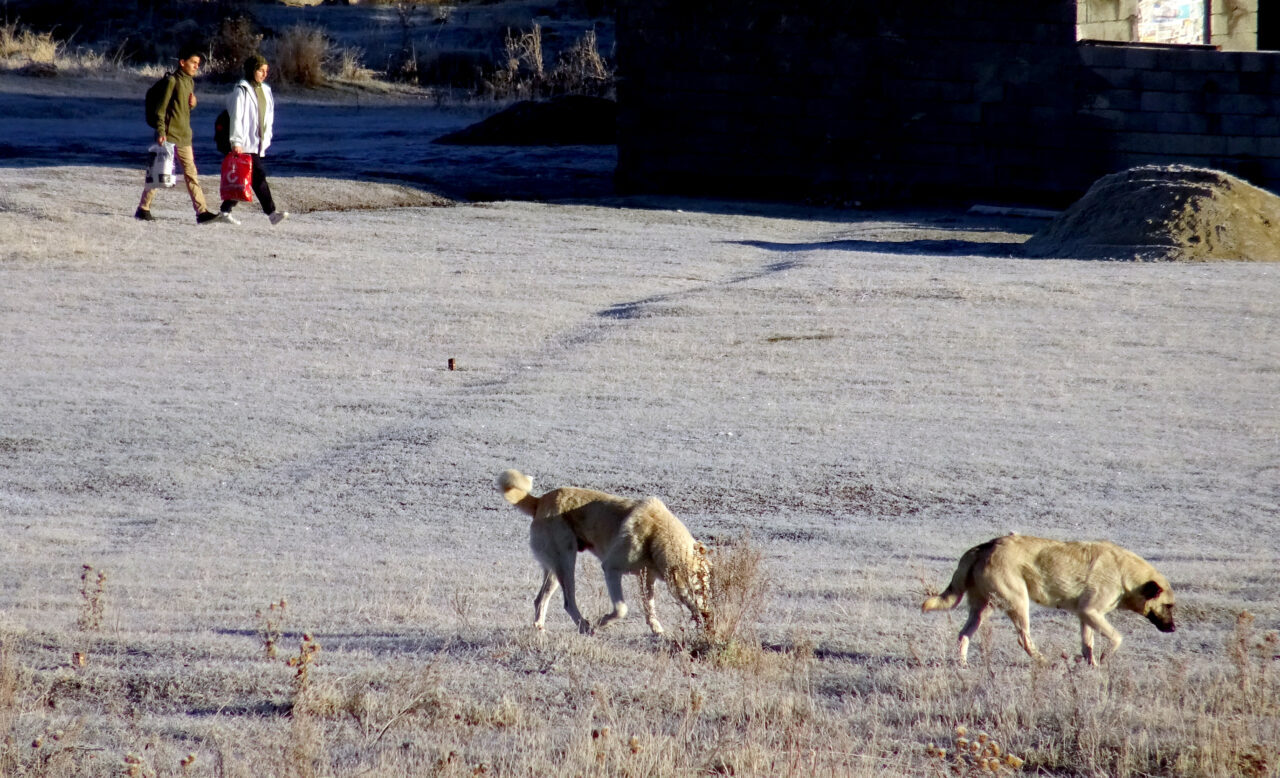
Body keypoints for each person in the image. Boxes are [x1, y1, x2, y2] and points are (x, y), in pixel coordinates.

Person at [136, 44, 219, 224]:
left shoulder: (190, 81)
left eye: (198, 63)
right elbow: (160, 109)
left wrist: (193, 103)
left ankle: (202, 212)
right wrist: (160, 132)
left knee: (191, 174)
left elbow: (183, 107)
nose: (197, 66)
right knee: (160, 174)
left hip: (185, 136)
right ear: (182, 63)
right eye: (193, 62)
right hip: (169, 136)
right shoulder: (172, 81)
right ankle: (143, 208)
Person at [218, 54, 289, 226]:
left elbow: (268, 116)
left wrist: (267, 137)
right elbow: (236, 118)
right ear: (251, 70)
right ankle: (271, 214)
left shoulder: (266, 90)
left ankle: (225, 211)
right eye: (260, 70)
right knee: (257, 177)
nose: (264, 74)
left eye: (266, 71)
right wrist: (236, 142)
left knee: (248, 179)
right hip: (245, 143)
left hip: (257, 142)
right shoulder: (241, 90)